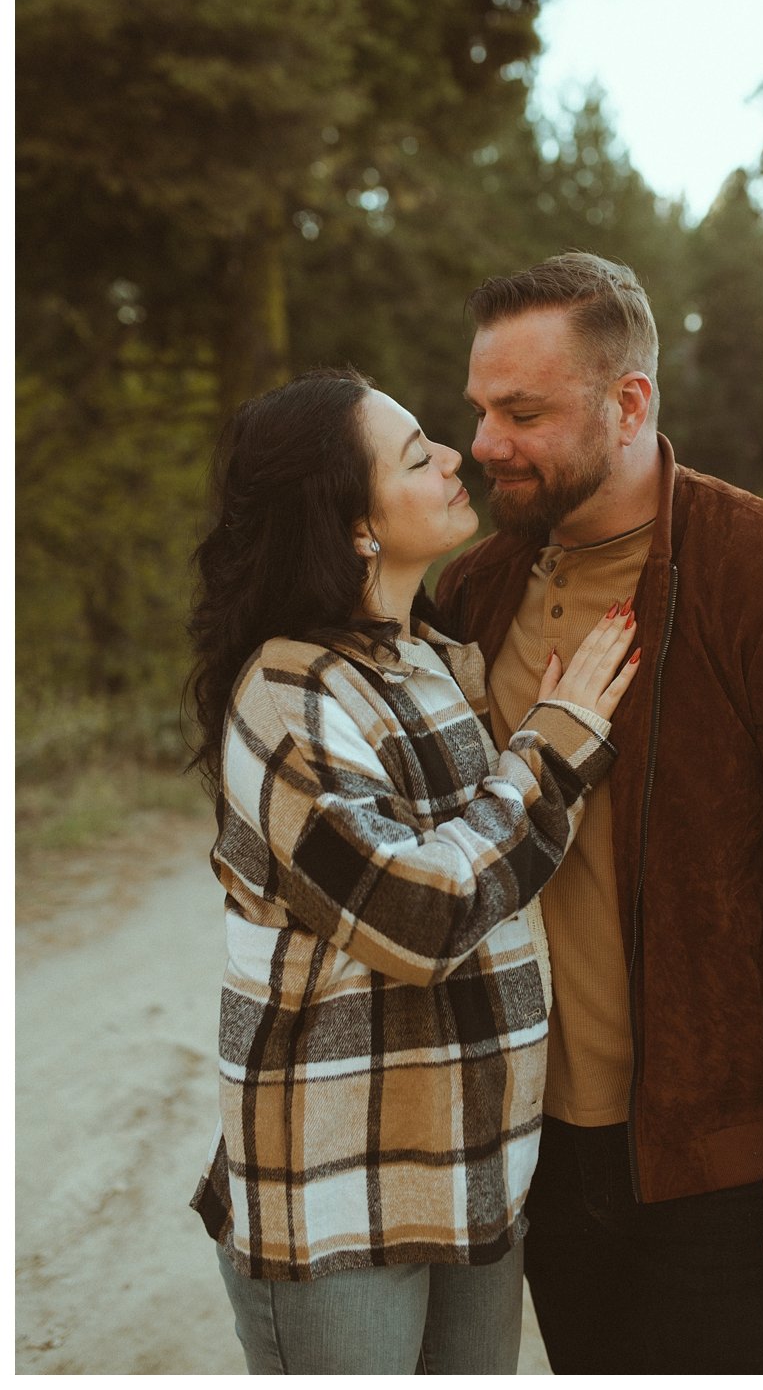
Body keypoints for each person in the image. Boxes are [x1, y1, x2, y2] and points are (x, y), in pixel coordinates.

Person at [434, 251, 763, 1373]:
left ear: (628, 403)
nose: (484, 443)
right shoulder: (469, 595)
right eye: (479, 409)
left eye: (522, 411)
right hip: (533, 1151)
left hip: (719, 1162)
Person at [187, 368, 640, 1372]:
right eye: (415, 454)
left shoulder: (435, 659)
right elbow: (421, 916)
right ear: (355, 526)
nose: (454, 457)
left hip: (475, 1171)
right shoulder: (285, 692)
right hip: (332, 1195)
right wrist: (555, 747)